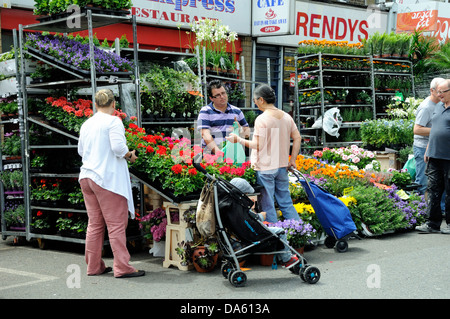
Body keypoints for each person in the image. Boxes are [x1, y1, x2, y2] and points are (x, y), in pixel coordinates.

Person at [78, 89, 145, 278]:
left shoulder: (87, 124)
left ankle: (93, 266)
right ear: (114, 104)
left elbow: (81, 151)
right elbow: (118, 147)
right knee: (116, 225)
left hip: (87, 177)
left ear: (96, 105)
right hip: (106, 179)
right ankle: (122, 267)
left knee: (95, 224)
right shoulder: (114, 121)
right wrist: (129, 155)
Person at [226, 84, 301, 223]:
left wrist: (238, 140)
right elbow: (297, 137)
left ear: (261, 100)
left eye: (255, 100)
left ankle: (276, 239)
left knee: (267, 206)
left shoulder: (262, 119)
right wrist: (293, 160)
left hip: (265, 168)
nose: (255, 103)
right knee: (286, 203)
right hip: (282, 166)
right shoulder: (286, 117)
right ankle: (301, 234)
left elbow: (258, 145)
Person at [230, 178, 300, 269]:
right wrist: (262, 216)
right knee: (280, 231)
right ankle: (286, 259)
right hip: (253, 234)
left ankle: (283, 257)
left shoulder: (232, 206)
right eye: (246, 194)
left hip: (242, 233)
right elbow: (252, 220)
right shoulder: (241, 206)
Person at [416, 79, 450, 234]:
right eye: (438, 91)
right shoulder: (437, 106)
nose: (439, 94)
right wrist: (429, 149)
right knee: (433, 188)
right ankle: (432, 223)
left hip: (448, 156)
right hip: (434, 155)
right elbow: (435, 129)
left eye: (442, 92)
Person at [197, 79, 250, 154]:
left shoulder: (237, 111)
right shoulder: (205, 111)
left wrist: (240, 129)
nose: (222, 97)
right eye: (217, 95)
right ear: (211, 98)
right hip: (211, 156)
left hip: (232, 155)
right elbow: (205, 134)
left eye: (223, 93)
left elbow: (247, 133)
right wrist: (219, 153)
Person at [413, 77, 445, 195]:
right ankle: (416, 209)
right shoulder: (426, 107)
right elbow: (417, 129)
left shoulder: (442, 104)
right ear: (432, 91)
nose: (442, 94)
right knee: (423, 182)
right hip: (422, 148)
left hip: (437, 148)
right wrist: (438, 131)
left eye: (444, 90)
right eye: (439, 91)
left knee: (439, 182)